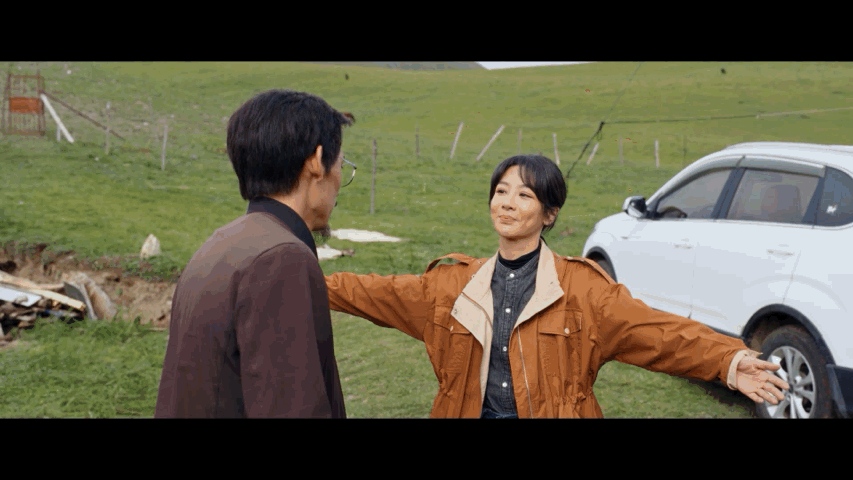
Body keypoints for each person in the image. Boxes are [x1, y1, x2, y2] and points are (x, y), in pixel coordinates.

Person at [325, 154, 790, 418]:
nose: (507, 203)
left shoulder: (584, 291)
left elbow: (658, 332)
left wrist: (727, 360)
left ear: (549, 214)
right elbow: (376, 293)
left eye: (524, 194)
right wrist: (310, 282)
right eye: (501, 191)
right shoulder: (451, 285)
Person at [155, 89, 356, 418]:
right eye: (341, 163)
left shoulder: (223, 242)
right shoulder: (282, 259)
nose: (339, 178)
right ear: (316, 161)